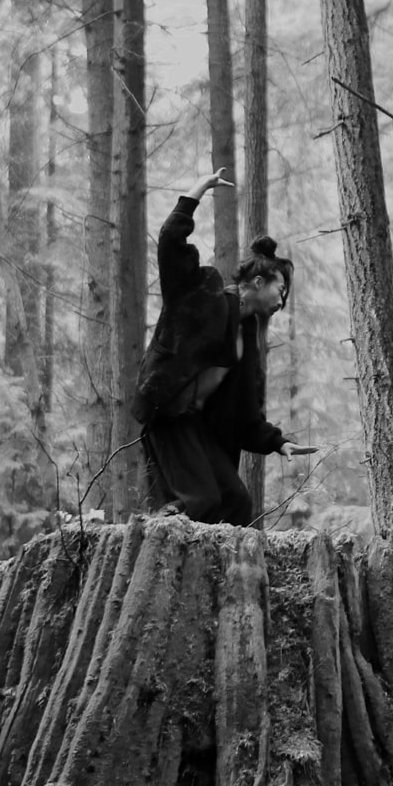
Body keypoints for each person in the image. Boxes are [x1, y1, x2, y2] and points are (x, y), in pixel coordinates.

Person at [132, 168, 315, 525]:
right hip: (168, 415)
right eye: (280, 291)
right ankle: (159, 548)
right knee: (201, 502)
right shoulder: (205, 294)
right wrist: (199, 188)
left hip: (198, 427)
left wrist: (277, 442)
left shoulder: (247, 334)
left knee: (236, 502)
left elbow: (244, 414)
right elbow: (170, 241)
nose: (281, 302)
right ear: (258, 282)